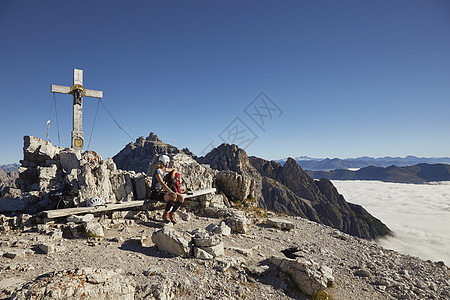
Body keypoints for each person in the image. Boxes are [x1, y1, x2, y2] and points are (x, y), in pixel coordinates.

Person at [150, 155, 184, 223]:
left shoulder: (164, 170)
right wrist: (172, 192)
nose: (168, 164)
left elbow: (173, 170)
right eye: (167, 162)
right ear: (166, 162)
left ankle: (172, 213)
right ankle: (166, 214)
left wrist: (173, 173)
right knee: (173, 196)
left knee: (181, 198)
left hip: (162, 191)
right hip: (155, 193)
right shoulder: (157, 171)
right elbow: (162, 184)